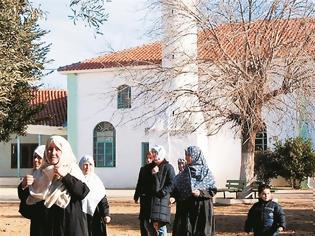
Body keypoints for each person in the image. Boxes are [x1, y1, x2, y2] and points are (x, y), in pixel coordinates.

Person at [25, 135, 90, 236]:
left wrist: (65, 176)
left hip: (68, 226)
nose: (53, 153)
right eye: (50, 149)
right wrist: (23, 186)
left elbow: (82, 192)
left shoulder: (72, 170)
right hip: (45, 228)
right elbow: (28, 204)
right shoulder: (39, 173)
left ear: (64, 151)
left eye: (57, 149)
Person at [172, 146, 217, 236]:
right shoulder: (184, 173)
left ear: (196, 155)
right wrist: (173, 197)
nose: (186, 157)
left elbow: (212, 190)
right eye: (186, 155)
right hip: (186, 209)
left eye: (189, 155)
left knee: (202, 232)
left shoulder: (206, 172)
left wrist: (200, 193)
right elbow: (177, 189)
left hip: (202, 209)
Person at [145, 145, 175, 236]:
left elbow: (172, 183)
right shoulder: (151, 167)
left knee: (160, 227)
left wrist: (163, 192)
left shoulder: (168, 167)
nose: (154, 155)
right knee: (148, 225)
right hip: (150, 201)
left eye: (156, 153)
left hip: (162, 201)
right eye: (153, 153)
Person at [17, 145, 47, 236]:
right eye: (34, 157)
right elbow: (23, 198)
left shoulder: (53, 176)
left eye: (39, 157)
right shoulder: (32, 175)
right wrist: (23, 185)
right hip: (36, 221)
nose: (36, 160)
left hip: (50, 222)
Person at [79, 154, 111, 236]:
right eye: (85, 164)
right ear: (81, 165)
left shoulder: (96, 181)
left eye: (90, 164)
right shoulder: (76, 180)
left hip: (95, 216)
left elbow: (103, 200)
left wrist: (106, 214)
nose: (87, 167)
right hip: (80, 216)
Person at [134, 151, 154, 236]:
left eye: (150, 158)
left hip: (153, 199)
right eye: (147, 158)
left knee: (151, 221)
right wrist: (136, 195)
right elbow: (139, 183)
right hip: (144, 198)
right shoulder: (143, 169)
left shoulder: (156, 170)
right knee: (143, 219)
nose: (148, 160)